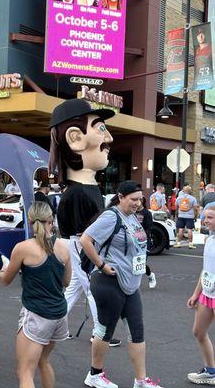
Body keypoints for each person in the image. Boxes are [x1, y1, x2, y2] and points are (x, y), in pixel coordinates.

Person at [48, 98, 120, 347]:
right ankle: (101, 333)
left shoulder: (86, 187)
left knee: (74, 290)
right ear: (75, 138)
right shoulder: (76, 192)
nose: (109, 138)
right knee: (93, 289)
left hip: (82, 244)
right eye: (101, 129)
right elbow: (83, 231)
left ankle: (53, 324)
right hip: (80, 244)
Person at [81, 180, 163, 388]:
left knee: (137, 331)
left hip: (130, 284)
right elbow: (85, 240)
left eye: (140, 200)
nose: (138, 203)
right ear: (120, 197)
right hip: (109, 281)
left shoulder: (132, 217)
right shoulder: (111, 216)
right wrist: (101, 265)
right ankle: (94, 375)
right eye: (133, 199)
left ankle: (141, 381)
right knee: (105, 331)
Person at [0, 201, 71, 388]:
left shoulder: (23, 248)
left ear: (29, 220)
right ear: (51, 220)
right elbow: (66, 282)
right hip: (59, 314)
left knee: (24, 373)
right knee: (43, 361)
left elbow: (6, 280)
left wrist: (3, 270)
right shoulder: (63, 246)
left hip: (37, 315)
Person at [187, 202, 215, 385]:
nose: (205, 221)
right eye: (205, 217)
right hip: (207, 293)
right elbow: (206, 270)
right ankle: (211, 371)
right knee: (198, 332)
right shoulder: (209, 240)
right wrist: (196, 293)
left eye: (210, 217)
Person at [135, 197, 157, 289]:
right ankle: (134, 284)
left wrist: (142, 237)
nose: (136, 202)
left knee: (141, 263)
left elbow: (149, 228)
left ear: (142, 202)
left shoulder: (147, 213)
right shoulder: (132, 212)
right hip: (133, 240)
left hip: (143, 241)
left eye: (138, 200)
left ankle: (150, 275)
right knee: (133, 262)